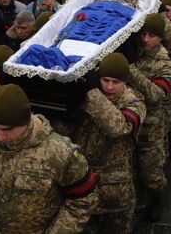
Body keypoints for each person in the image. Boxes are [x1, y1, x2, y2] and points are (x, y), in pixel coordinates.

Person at [0, 84, 98, 234]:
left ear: (25, 122)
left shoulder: (59, 152)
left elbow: (83, 199)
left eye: (7, 129)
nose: (0, 136)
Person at [60, 53, 146, 234]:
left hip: (115, 191)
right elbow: (63, 136)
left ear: (125, 82)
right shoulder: (87, 98)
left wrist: (92, 92)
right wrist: (68, 117)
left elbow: (119, 128)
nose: (109, 87)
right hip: (83, 187)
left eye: (116, 82)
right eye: (105, 80)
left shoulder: (135, 103)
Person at [127, 13, 171, 220]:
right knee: (131, 166)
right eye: (143, 34)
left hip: (152, 124)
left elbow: (156, 94)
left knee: (151, 172)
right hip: (131, 120)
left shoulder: (165, 63)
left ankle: (157, 197)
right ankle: (139, 197)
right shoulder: (135, 52)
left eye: (152, 35)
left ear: (161, 37)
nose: (146, 39)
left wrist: (131, 71)